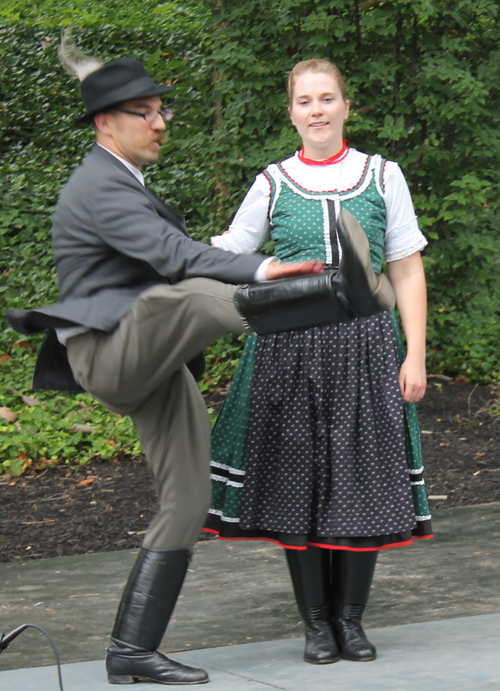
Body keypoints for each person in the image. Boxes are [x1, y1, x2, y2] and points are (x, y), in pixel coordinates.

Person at [5, 48, 328, 685]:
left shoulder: (127, 182)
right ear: (105, 123)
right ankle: (320, 306)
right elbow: (174, 257)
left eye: (161, 111)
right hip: (109, 351)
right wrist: (266, 271)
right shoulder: (98, 184)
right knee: (186, 296)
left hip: (151, 359)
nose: (159, 123)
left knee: (188, 498)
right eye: (143, 113)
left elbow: (172, 254)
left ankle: (131, 650)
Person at [204, 59, 433, 666]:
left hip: (365, 348)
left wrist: (416, 353)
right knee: (294, 486)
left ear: (346, 106)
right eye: (304, 101)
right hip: (289, 350)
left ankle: (350, 622)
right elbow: (232, 251)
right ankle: (314, 625)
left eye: (327, 98)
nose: (317, 111)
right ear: (291, 113)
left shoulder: (383, 175)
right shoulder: (273, 181)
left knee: (364, 482)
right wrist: (162, 245)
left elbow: (406, 268)